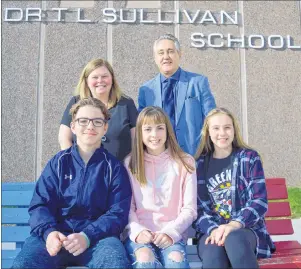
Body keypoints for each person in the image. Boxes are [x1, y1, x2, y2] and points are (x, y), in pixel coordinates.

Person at [12, 98, 132, 269]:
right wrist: (49, 233)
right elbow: (40, 204)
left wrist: (87, 235)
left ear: (105, 127)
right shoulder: (58, 163)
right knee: (24, 264)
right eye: (83, 121)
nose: (90, 126)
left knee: (115, 262)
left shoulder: (114, 168)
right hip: (57, 236)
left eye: (97, 121)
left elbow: (118, 213)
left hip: (97, 240)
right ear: (73, 126)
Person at [193, 107, 275, 269]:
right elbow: (198, 209)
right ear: (207, 132)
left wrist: (233, 225)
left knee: (234, 239)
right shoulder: (199, 165)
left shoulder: (249, 158)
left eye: (227, 127)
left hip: (246, 230)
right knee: (213, 253)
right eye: (216, 128)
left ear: (234, 130)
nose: (222, 133)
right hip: (212, 231)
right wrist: (215, 229)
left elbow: (259, 201)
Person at [123, 106, 197, 268]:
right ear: (140, 134)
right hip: (141, 235)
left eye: (159, 128)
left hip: (172, 235)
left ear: (167, 131)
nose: (154, 135)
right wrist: (138, 231)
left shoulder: (185, 162)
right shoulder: (131, 163)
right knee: (144, 259)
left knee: (175, 260)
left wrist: (170, 233)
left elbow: (190, 209)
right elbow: (128, 208)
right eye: (148, 129)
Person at [138, 34, 216, 156]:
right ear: (155, 58)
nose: (166, 57)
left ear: (179, 54)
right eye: (161, 53)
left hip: (194, 157)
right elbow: (142, 127)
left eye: (170, 51)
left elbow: (212, 119)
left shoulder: (198, 82)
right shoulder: (146, 90)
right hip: (159, 159)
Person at [59, 58, 138, 161]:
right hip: (83, 171)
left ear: (112, 79)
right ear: (86, 81)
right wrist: (74, 163)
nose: (100, 80)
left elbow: (136, 140)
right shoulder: (76, 102)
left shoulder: (126, 103)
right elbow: (64, 138)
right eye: (95, 77)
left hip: (119, 171)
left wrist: (128, 165)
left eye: (104, 76)